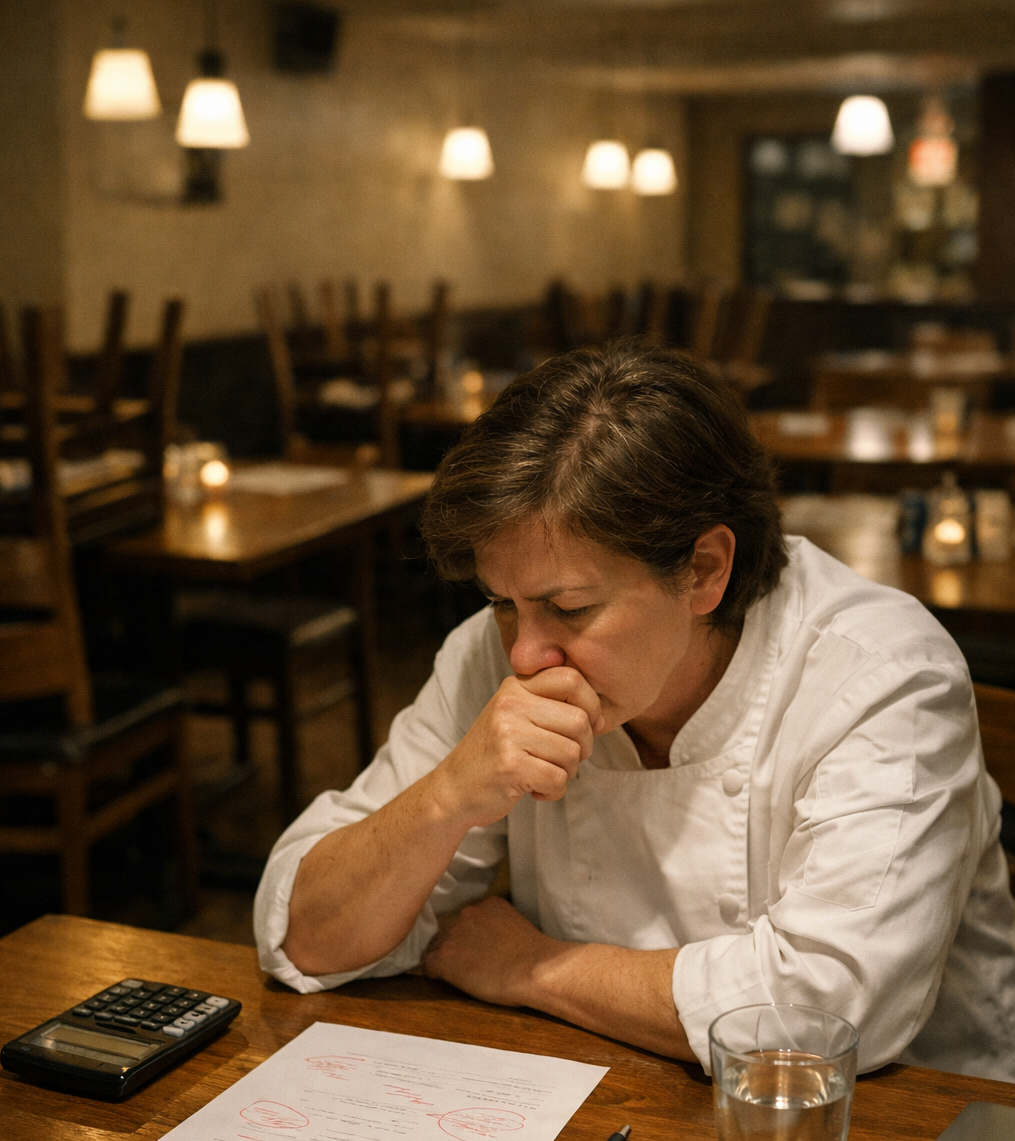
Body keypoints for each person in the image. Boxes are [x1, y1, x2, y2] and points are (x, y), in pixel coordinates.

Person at [255, 340, 1015, 1081]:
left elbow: (829, 1015)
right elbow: (303, 936)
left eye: (570, 606)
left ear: (704, 570)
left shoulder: (881, 675)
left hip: (912, 1135)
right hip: (597, 1087)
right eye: (503, 604)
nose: (524, 654)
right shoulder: (492, 655)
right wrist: (446, 798)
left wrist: (531, 968)